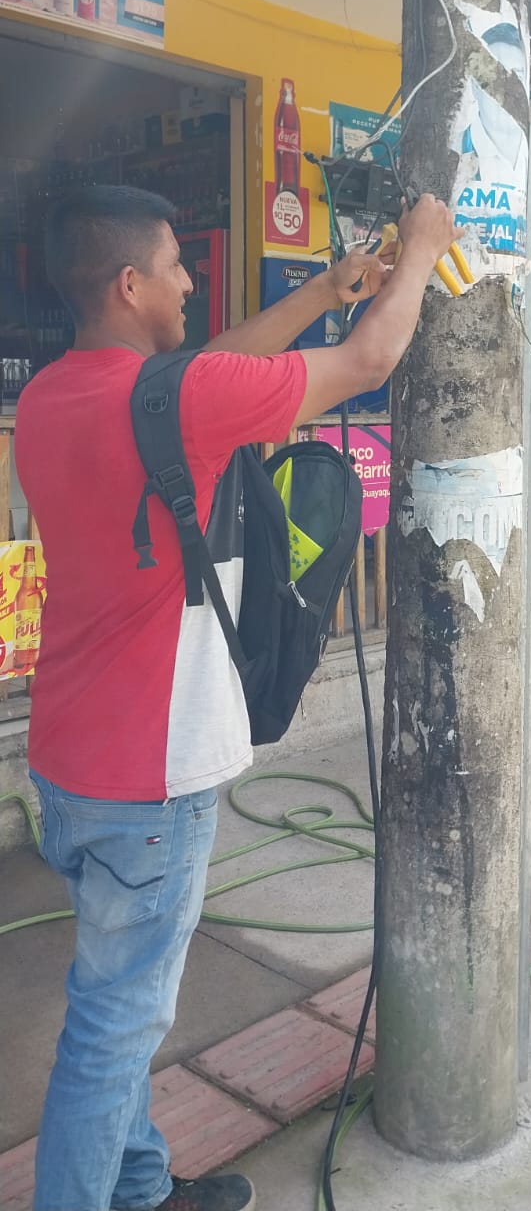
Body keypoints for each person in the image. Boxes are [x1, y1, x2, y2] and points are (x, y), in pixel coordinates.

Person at [15, 183, 458, 1211]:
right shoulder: (180, 404)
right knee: (113, 1028)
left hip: (67, 765)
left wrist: (324, 290)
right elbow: (369, 362)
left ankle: (140, 1190)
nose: (189, 283)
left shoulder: (49, 398)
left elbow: (202, 369)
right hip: (151, 779)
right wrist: (424, 248)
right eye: (176, 267)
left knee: (114, 1002)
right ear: (131, 284)